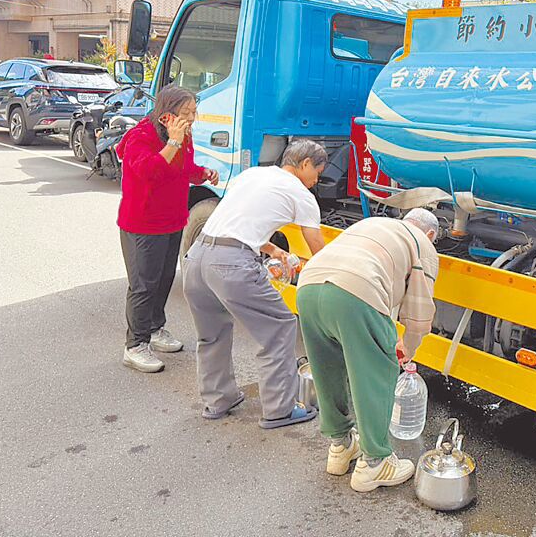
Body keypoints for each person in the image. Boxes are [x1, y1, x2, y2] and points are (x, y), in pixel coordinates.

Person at [182, 139, 328, 429]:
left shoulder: (252, 175)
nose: (316, 181)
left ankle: (218, 400)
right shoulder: (301, 194)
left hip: (196, 257)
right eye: (318, 173)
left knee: (211, 334)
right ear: (305, 164)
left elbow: (237, 220)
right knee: (279, 326)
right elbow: (317, 248)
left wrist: (272, 249)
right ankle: (280, 409)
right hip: (231, 264)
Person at [297, 209, 440, 493]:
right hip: (355, 292)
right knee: (376, 373)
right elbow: (419, 311)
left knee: (327, 370)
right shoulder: (423, 244)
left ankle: (340, 447)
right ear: (431, 234)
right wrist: (408, 346)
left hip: (309, 286)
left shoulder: (375, 224)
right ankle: (375, 463)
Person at [116, 85, 218, 373]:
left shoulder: (181, 136)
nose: (192, 118)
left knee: (163, 280)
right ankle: (135, 345)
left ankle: (154, 328)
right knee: (143, 284)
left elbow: (183, 168)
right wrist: (173, 142)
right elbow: (150, 172)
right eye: (186, 112)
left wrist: (202, 173)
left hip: (172, 220)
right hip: (143, 224)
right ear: (166, 114)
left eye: (194, 111)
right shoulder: (140, 136)